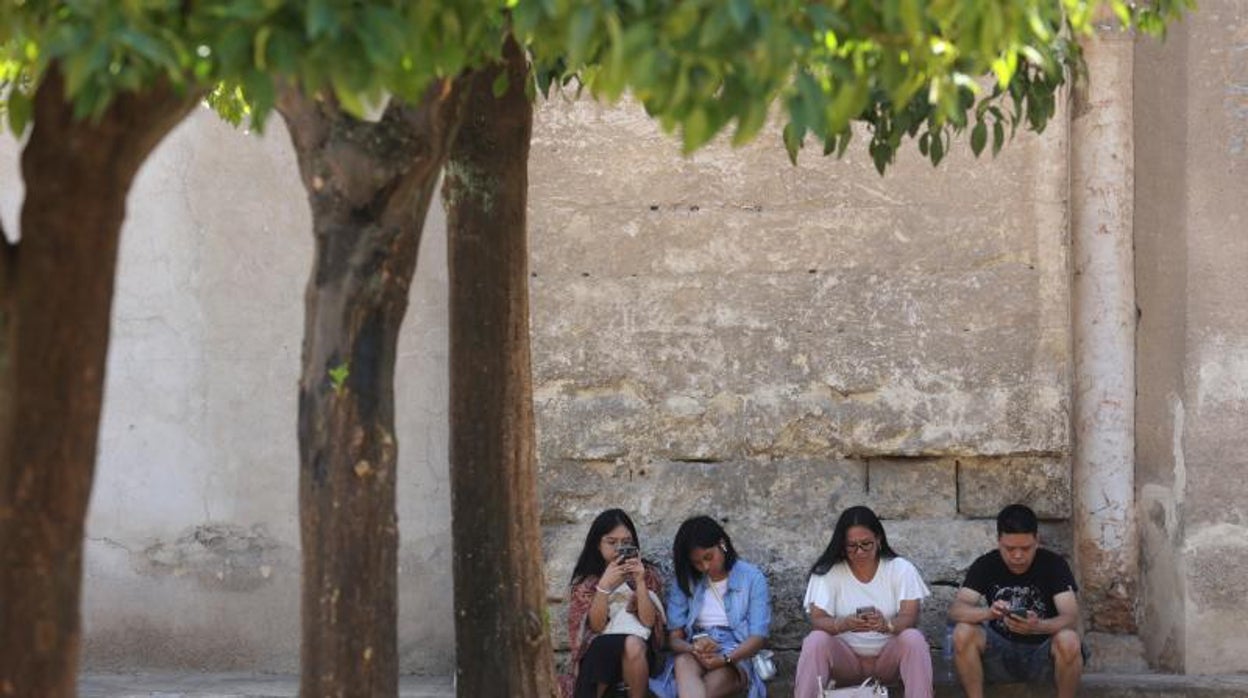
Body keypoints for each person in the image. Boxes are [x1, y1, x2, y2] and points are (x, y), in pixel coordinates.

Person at [948, 504, 1086, 698]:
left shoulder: (1054, 564)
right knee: (963, 632)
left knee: (1069, 640)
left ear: (1037, 541)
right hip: (998, 654)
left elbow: (1071, 617)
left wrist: (1038, 626)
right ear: (998, 541)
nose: (1018, 555)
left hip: (1043, 654)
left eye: (1025, 548)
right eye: (1010, 548)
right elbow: (956, 610)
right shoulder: (986, 564)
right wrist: (989, 613)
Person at [793, 505, 933, 698]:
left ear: (879, 539)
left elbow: (910, 616)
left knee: (913, 638)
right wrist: (843, 624)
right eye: (852, 546)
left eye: (866, 544)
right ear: (841, 545)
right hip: (845, 662)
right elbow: (818, 620)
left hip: (888, 659)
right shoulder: (829, 572)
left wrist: (888, 625)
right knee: (815, 641)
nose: (859, 552)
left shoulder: (900, 569)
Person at [650, 515, 771, 698]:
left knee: (709, 687)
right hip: (695, 650)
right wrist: (695, 649)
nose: (705, 566)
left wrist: (725, 659)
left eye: (709, 557)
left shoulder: (752, 578)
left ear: (722, 544)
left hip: (735, 654)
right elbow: (675, 639)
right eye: (697, 563)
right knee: (683, 662)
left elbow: (758, 637)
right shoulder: (685, 582)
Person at [560, 509, 666, 698]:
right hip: (600, 649)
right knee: (611, 645)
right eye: (611, 542)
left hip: (640, 648)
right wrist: (604, 586)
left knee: (633, 644)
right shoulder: (587, 582)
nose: (619, 549)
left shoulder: (647, 573)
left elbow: (649, 623)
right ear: (597, 545)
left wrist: (640, 582)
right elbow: (597, 626)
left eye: (626, 543)